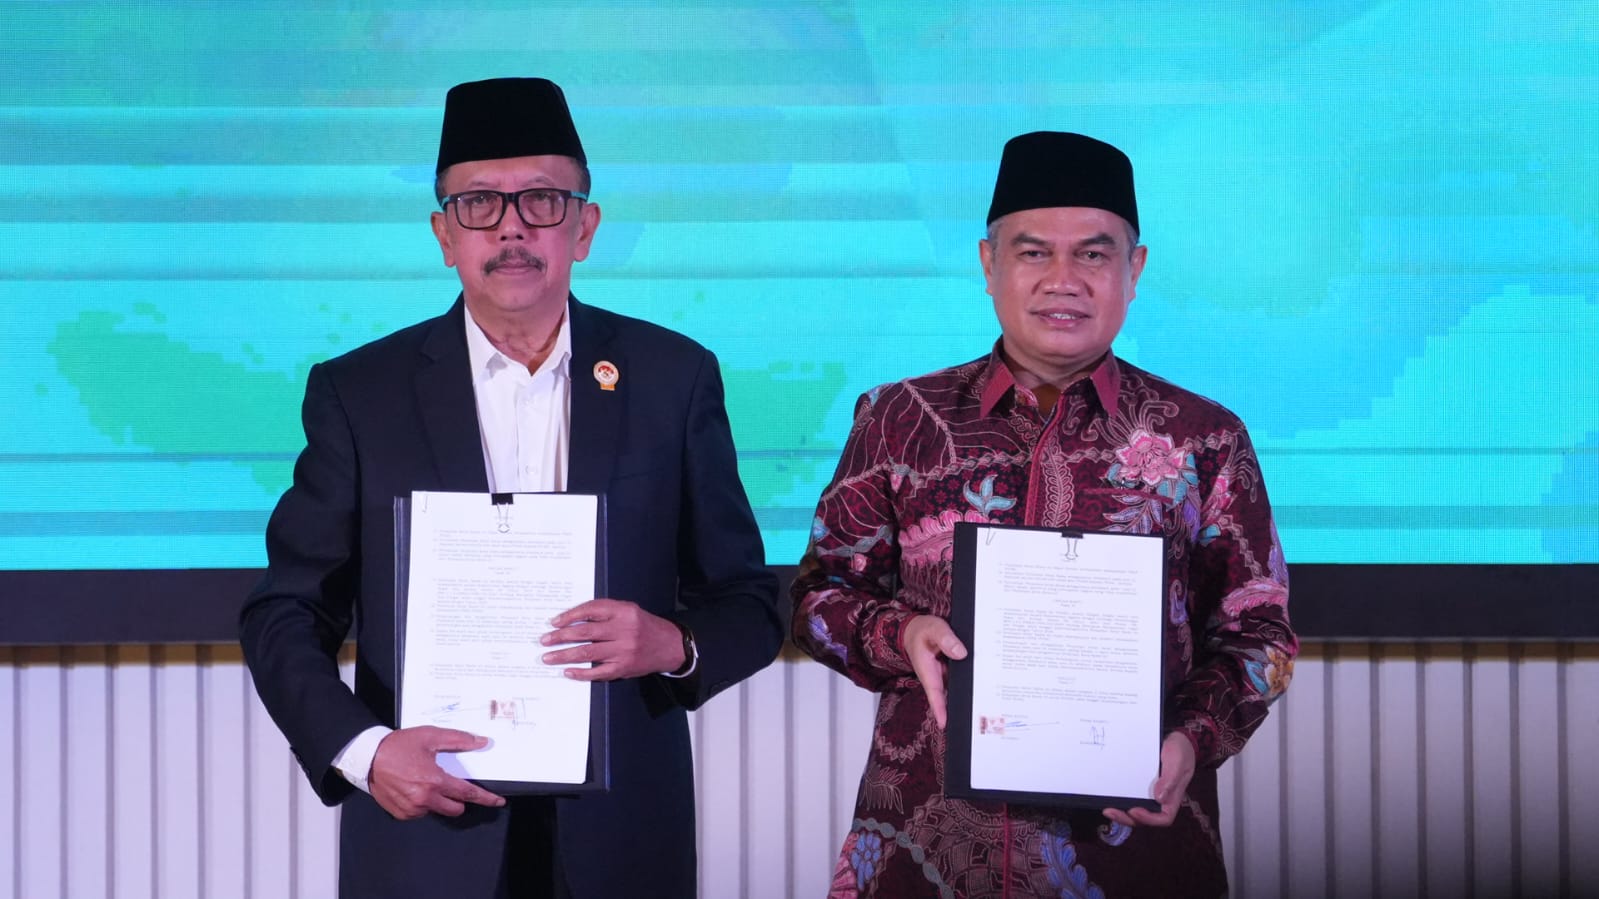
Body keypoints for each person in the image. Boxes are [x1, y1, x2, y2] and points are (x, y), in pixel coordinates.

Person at [240, 77, 783, 898]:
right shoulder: (361, 393)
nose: (511, 227)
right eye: (478, 204)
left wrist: (672, 644)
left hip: (622, 834)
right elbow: (285, 611)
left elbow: (747, 601)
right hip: (426, 837)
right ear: (442, 234)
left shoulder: (672, 377)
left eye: (541, 199)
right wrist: (365, 752)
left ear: (585, 227)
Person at [791, 131, 1297, 898]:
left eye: (1093, 254)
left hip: (1133, 853)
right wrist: (903, 632)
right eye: (1033, 253)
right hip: (922, 846)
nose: (1063, 280)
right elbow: (815, 599)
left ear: (1134, 270)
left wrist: (1192, 740)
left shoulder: (1203, 439)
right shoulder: (900, 418)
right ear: (988, 264)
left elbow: (1260, 635)